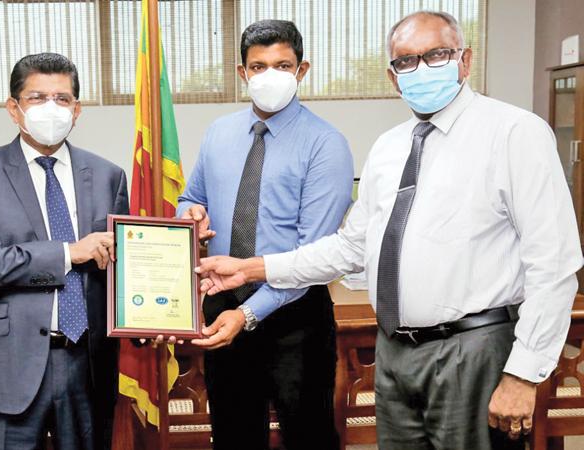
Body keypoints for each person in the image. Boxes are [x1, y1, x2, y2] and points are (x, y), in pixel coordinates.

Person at [194, 10, 583, 450]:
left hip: (473, 348)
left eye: (436, 55)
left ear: (465, 60)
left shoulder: (515, 133)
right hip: (396, 354)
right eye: (405, 61)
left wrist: (523, 373)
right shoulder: (390, 146)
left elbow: (553, 264)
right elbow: (349, 248)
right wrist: (253, 269)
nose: (421, 69)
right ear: (394, 76)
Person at [178, 20, 353, 450]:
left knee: (307, 435)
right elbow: (189, 196)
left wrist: (249, 314)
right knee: (234, 435)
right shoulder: (219, 132)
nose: (269, 76)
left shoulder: (325, 144)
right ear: (243, 73)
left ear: (301, 69)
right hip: (223, 308)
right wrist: (192, 214)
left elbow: (313, 253)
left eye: (282, 65)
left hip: (294, 318)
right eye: (258, 66)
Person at [0, 52, 128, 450]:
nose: (52, 108)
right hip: (9, 361)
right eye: (37, 98)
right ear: (13, 108)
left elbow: (121, 266)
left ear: (77, 109)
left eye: (62, 99)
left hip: (87, 362)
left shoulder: (107, 175)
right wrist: (69, 253)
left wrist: (153, 313)